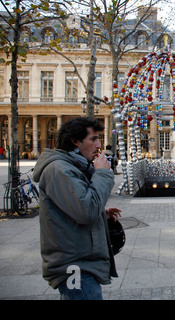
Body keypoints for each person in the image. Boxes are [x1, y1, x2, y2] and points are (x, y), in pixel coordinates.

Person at [33, 117, 122, 300]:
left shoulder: (71, 167)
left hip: (82, 263)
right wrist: (103, 174)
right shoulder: (60, 169)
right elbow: (86, 211)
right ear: (75, 141)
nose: (99, 145)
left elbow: (75, 207)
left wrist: (101, 214)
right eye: (93, 139)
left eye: (99, 139)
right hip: (75, 266)